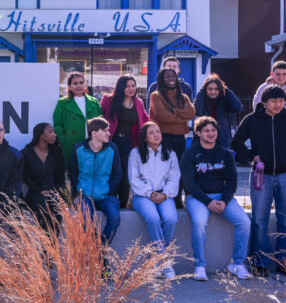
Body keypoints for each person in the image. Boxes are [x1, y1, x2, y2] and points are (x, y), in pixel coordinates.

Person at [232, 85, 286, 277]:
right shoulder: (252, 120)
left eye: (281, 101)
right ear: (264, 102)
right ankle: (259, 263)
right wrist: (251, 157)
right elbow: (237, 142)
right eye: (274, 101)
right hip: (261, 177)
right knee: (259, 220)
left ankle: (284, 262)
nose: (278, 104)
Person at [181, 116, 251, 281]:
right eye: (206, 130)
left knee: (244, 222)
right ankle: (199, 265)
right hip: (198, 198)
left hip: (221, 197)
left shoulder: (225, 153)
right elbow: (189, 184)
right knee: (199, 223)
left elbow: (232, 181)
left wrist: (224, 200)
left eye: (213, 130)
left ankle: (237, 264)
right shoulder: (190, 154)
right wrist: (208, 202)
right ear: (198, 133)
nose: (210, 134)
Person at [128, 121, 180, 278]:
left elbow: (175, 177)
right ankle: (164, 261)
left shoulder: (170, 153)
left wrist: (165, 194)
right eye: (152, 132)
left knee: (171, 219)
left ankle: (156, 262)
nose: (156, 134)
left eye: (158, 131)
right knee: (153, 219)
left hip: (164, 195)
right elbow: (133, 178)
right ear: (145, 137)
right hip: (142, 196)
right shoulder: (135, 153)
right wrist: (149, 193)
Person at [68, 117, 122, 244]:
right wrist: (78, 193)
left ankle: (101, 249)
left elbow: (117, 174)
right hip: (84, 196)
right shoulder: (78, 149)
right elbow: (72, 173)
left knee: (115, 218)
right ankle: (94, 249)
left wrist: (108, 189)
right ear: (94, 133)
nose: (109, 133)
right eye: (105, 131)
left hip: (106, 195)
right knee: (86, 218)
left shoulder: (112, 149)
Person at [100, 74, 150, 207]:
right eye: (127, 86)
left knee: (126, 173)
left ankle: (123, 203)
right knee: (111, 172)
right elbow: (99, 120)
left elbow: (146, 120)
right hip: (111, 141)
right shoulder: (108, 100)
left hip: (129, 142)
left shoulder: (138, 103)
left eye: (133, 86)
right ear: (121, 87)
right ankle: (109, 200)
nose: (131, 89)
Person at [149, 68, 195, 207]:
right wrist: (181, 116)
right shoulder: (156, 96)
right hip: (164, 138)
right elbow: (162, 116)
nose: (171, 78)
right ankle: (164, 198)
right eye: (167, 76)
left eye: (173, 75)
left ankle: (177, 199)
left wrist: (174, 111)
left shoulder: (184, 97)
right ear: (161, 79)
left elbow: (191, 113)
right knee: (165, 170)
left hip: (180, 138)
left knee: (179, 169)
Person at [21, 122, 65, 232]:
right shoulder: (27, 153)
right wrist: (39, 190)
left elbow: (60, 176)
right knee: (43, 213)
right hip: (35, 193)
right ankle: (45, 247)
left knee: (57, 215)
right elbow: (26, 176)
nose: (55, 134)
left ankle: (51, 247)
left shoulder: (56, 152)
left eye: (54, 132)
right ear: (41, 135)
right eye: (51, 132)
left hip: (54, 193)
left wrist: (54, 191)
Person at [53, 71, 102, 165]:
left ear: (85, 85)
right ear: (70, 86)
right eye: (75, 83)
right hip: (71, 144)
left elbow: (101, 121)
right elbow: (58, 124)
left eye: (81, 82)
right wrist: (64, 140)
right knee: (74, 173)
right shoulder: (62, 103)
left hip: (93, 143)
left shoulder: (94, 101)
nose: (79, 85)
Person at [193, 74, 243, 148]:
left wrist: (227, 91)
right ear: (205, 89)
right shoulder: (202, 98)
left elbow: (238, 108)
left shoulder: (224, 99)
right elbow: (198, 111)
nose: (213, 92)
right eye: (210, 89)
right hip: (202, 139)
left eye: (216, 89)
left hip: (222, 139)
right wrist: (201, 92)